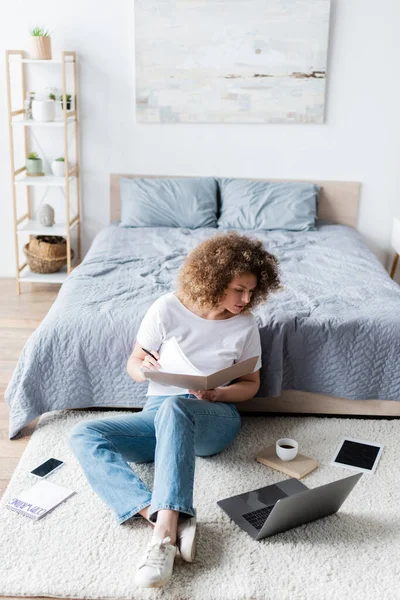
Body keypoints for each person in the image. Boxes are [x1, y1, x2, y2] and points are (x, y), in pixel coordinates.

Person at [68, 231, 280, 589]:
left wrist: (216, 395)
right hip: (158, 413)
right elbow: (133, 364)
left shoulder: (245, 325)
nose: (246, 299)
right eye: (237, 290)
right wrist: (144, 368)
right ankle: (155, 512)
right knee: (83, 433)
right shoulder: (167, 308)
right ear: (214, 281)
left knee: (177, 408)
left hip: (212, 420)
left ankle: (163, 538)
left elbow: (251, 385)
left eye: (250, 291)